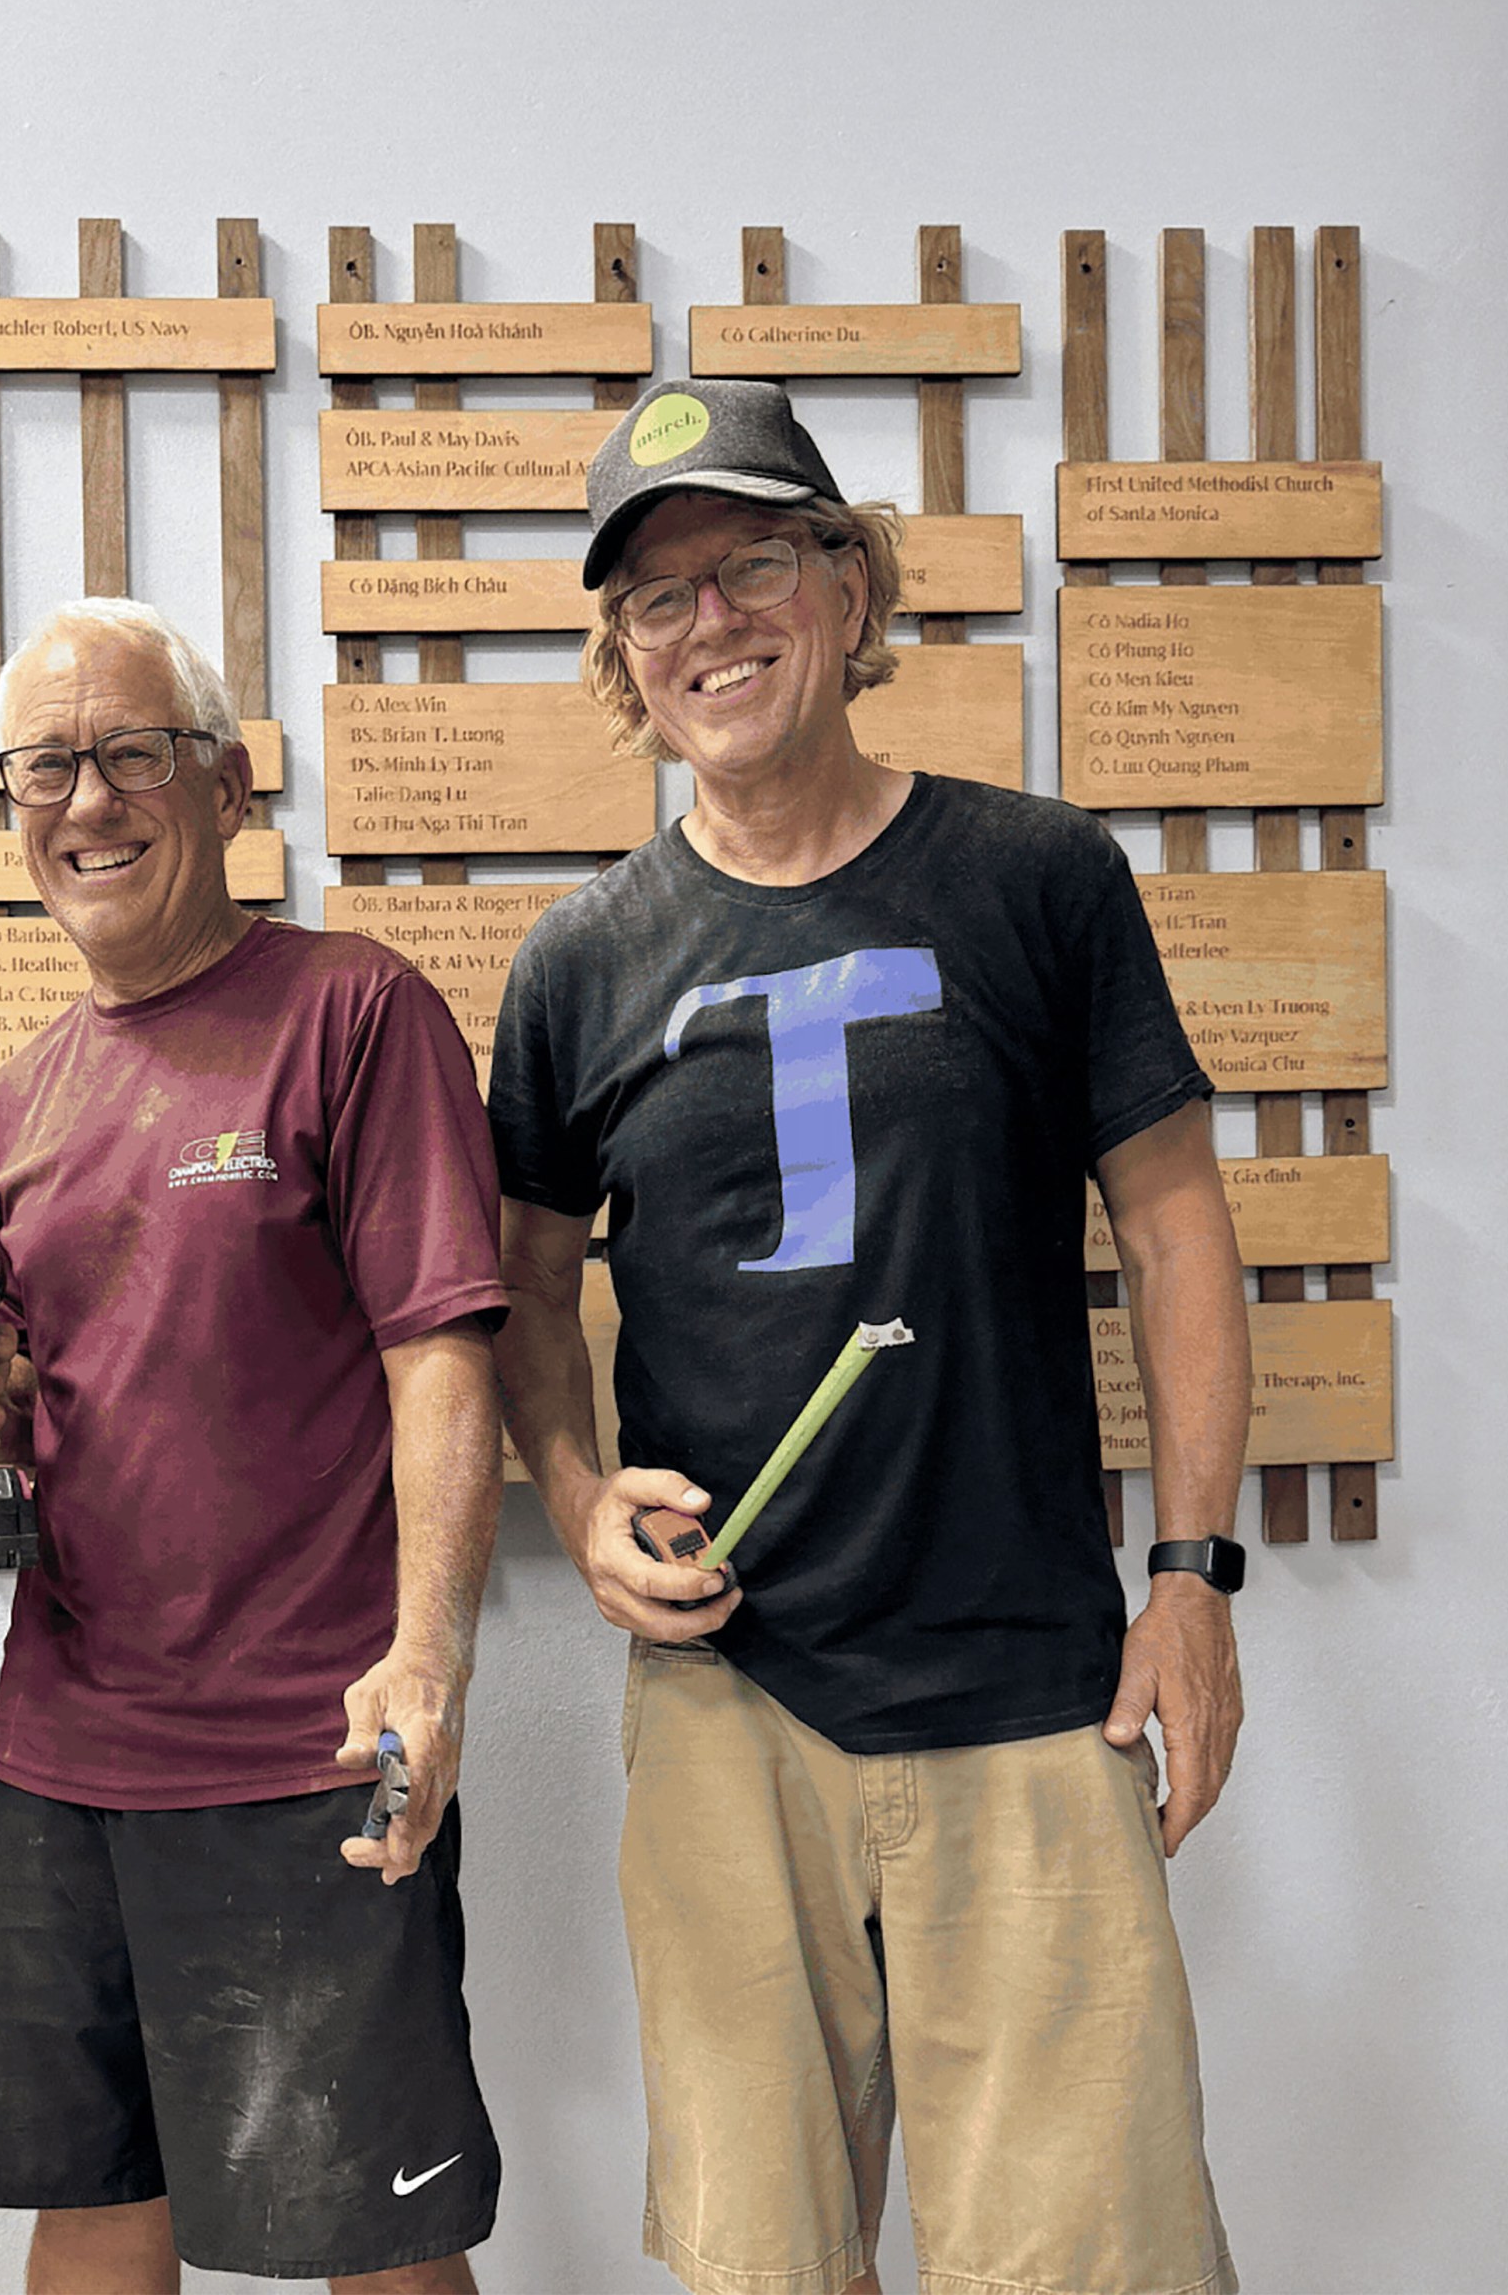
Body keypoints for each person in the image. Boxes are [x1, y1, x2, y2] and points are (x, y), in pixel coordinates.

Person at [488, 379, 1249, 2295]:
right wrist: (575, 1500)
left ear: (848, 586)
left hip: (1032, 1686)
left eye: (750, 563)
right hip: (734, 1696)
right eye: (657, 600)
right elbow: (518, 1284)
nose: (709, 625)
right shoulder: (582, 962)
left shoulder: (1040, 878)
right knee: (763, 2266)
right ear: (621, 659)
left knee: (1087, 2261)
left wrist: (1194, 1579)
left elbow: (1172, 1230)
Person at [0, 597, 506, 2294]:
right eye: (40, 768)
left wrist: (431, 1656)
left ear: (227, 786)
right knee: (88, 2208)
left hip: (310, 1745)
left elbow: (441, 1353)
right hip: (65, 1745)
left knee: (372, 2233)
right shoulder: (19, 1098)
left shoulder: (357, 1013)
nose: (84, 801)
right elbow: (71, 1390)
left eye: (130, 753)